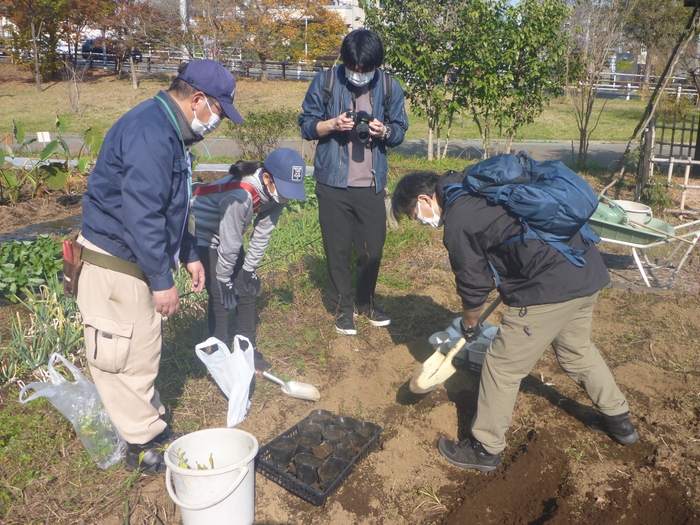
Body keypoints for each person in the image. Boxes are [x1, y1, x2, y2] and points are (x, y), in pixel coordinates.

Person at [391, 168, 639, 472]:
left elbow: (473, 284)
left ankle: (484, 449)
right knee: (577, 350)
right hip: (585, 268)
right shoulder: (478, 186)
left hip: (548, 286)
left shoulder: (459, 217)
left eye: (415, 215)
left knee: (501, 366)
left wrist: (470, 324)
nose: (420, 222)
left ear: (424, 199)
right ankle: (619, 421)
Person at [76, 59, 244, 475]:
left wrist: (187, 251)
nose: (217, 121)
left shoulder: (170, 132)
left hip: (133, 256)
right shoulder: (151, 133)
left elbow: (174, 204)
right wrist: (160, 278)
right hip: (116, 260)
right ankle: (141, 443)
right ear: (199, 100)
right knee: (123, 353)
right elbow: (142, 214)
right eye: (219, 112)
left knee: (141, 349)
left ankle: (146, 425)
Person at [298, 29, 409, 335]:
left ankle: (366, 302)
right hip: (332, 183)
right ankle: (342, 308)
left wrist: (384, 131)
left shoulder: (389, 86)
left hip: (371, 184)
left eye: (366, 69)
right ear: (344, 61)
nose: (359, 74)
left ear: (376, 64)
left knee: (371, 249)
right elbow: (306, 125)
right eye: (353, 68)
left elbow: (400, 130)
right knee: (337, 250)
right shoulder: (326, 81)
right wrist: (331, 124)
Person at [191, 148, 307, 371]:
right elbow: (231, 242)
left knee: (244, 289)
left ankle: (247, 349)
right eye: (285, 188)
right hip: (202, 229)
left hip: (227, 232)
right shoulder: (240, 195)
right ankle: (218, 354)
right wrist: (224, 278)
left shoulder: (278, 192)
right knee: (219, 293)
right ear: (266, 178)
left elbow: (263, 232)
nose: (287, 194)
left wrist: (248, 270)